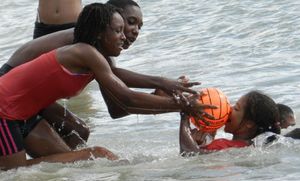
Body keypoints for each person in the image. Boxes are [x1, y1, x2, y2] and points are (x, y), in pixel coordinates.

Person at [0, 3, 210, 170]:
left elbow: (121, 86)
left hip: (18, 109)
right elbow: (125, 100)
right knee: (16, 173)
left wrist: (165, 88)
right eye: (119, 30)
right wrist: (181, 105)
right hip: (4, 109)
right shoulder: (84, 51)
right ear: (100, 32)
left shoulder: (93, 56)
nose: (125, 36)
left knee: (76, 154)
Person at [179, 91, 281, 155]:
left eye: (236, 108)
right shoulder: (248, 147)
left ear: (249, 124)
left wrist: (185, 115)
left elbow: (188, 153)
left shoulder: (223, 145)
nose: (230, 110)